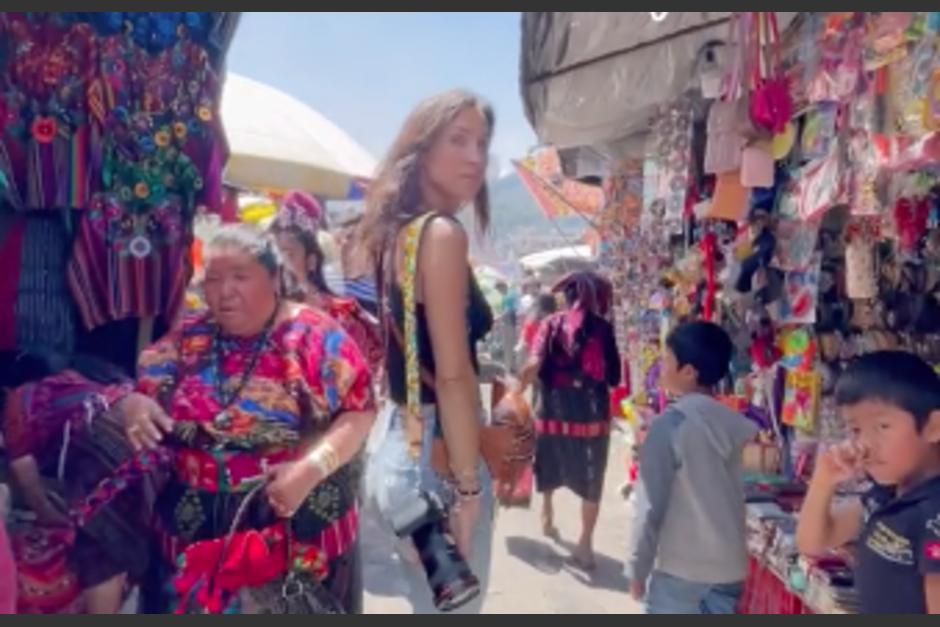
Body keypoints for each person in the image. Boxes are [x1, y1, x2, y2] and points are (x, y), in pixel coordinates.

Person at [119, 223, 375, 614]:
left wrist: (309, 469)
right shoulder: (189, 338)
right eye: (214, 279)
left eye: (240, 277)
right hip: (194, 537)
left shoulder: (314, 336)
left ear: (274, 278)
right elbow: (140, 390)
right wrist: (132, 405)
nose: (224, 291)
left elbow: (360, 410)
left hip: (290, 531)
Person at [357, 89, 496, 614]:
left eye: (482, 143)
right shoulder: (440, 234)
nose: (476, 157)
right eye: (458, 139)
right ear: (420, 148)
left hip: (402, 448)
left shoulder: (398, 235)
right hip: (440, 458)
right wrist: (467, 493)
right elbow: (455, 376)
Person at [625, 321, 757, 614]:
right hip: (730, 569)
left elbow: (649, 506)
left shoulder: (670, 426)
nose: (661, 366)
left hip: (684, 570)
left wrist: (637, 567)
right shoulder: (729, 423)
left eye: (667, 359)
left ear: (689, 371)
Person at [1, 352, 149, 614]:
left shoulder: (17, 401)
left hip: (104, 449)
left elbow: (26, 475)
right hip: (142, 442)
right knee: (123, 541)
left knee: (98, 549)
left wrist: (51, 517)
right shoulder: (70, 386)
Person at [796, 351, 940, 614]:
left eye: (882, 427)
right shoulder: (885, 496)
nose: (866, 444)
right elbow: (813, 543)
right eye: (856, 430)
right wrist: (824, 480)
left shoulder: (933, 513)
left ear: (933, 427)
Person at [517, 272, 621, 571]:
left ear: (568, 297)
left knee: (549, 459)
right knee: (592, 473)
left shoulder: (551, 324)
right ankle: (585, 543)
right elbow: (613, 376)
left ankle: (547, 512)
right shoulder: (603, 328)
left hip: (552, 409)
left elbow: (535, 363)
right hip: (591, 412)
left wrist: (518, 389)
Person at [270, 190, 383, 375]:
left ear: (311, 260)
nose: (281, 262)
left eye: (289, 253)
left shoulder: (341, 317)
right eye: (275, 253)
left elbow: (360, 375)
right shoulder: (261, 314)